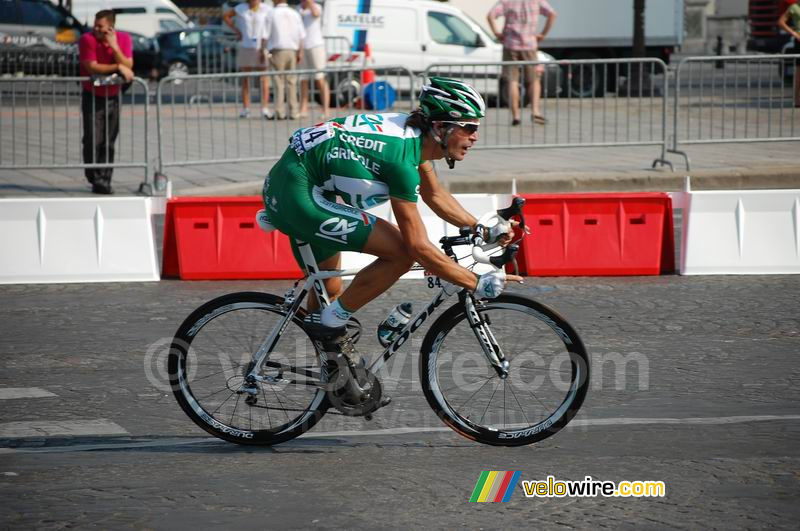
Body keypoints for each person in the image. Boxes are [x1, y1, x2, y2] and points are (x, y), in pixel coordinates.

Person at [261, 78, 520, 359]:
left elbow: (435, 196)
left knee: (330, 293)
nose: (475, 137)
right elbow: (417, 246)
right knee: (399, 253)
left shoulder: (414, 139)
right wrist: (475, 282)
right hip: (297, 194)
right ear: (440, 127)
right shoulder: (401, 162)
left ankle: (333, 381)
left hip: (298, 182)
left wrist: (480, 228)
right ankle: (330, 327)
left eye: (476, 128)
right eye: (469, 127)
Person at [78, 10, 134, 195]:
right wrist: (118, 67)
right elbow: (91, 66)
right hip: (92, 95)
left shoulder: (124, 38)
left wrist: (114, 47)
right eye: (95, 25)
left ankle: (104, 180)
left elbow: (129, 64)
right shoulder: (87, 39)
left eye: (100, 26)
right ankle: (93, 175)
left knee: (109, 141)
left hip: (113, 96)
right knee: (93, 139)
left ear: (111, 27)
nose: (96, 29)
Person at [487, 0, 557, 126]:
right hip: (529, 44)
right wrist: (542, 34)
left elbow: (490, 15)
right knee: (534, 80)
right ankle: (535, 111)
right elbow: (552, 14)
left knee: (512, 81)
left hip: (510, 44)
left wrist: (497, 33)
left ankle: (516, 115)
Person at [224, 0, 273, 119]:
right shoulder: (241, 8)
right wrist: (237, 31)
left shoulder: (266, 9)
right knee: (246, 78)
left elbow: (269, 27)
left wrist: (266, 46)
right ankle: (246, 108)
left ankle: (265, 108)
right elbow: (226, 16)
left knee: (263, 79)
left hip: (261, 47)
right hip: (246, 46)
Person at [267, 1, 306, 120]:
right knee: (292, 82)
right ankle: (293, 111)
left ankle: (279, 111)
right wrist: (300, 51)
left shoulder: (272, 13)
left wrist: (263, 49)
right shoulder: (294, 13)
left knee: (278, 82)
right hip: (292, 50)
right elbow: (301, 35)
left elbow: (265, 34)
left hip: (277, 50)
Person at [297, 0, 330, 119]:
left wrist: (310, 3)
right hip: (303, 47)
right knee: (303, 79)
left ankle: (326, 109)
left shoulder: (317, 7)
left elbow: (315, 14)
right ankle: (303, 108)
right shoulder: (298, 8)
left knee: (319, 78)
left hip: (316, 46)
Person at [778, 0, 800, 107]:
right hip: (799, 41)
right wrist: (794, 33)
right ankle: (796, 99)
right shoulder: (794, 7)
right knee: (799, 72)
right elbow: (781, 22)